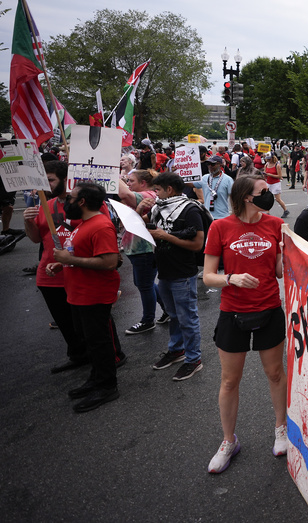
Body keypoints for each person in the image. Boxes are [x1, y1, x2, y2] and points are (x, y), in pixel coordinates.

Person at [203, 175, 288, 473]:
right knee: (229, 380)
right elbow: (208, 276)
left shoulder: (276, 226)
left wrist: (284, 253)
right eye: (263, 192)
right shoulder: (219, 227)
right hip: (233, 312)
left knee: (275, 373)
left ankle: (281, 428)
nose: (269, 195)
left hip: (269, 309)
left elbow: (279, 272)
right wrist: (231, 279)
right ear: (246, 197)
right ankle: (229, 441)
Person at [47, 181, 123, 412]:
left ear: (81, 201)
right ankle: (96, 378)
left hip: (94, 294)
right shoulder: (84, 223)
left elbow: (110, 262)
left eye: (70, 198)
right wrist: (61, 264)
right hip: (78, 293)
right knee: (89, 339)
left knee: (99, 342)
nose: (66, 202)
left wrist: (69, 260)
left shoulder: (100, 226)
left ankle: (107, 386)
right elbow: (80, 253)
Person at [23, 160, 90, 372]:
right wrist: (28, 222)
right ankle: (77, 355)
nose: (46, 184)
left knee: (86, 323)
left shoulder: (84, 203)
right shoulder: (46, 204)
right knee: (64, 322)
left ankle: (100, 360)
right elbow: (36, 239)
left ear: (64, 179)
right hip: (48, 276)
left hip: (78, 271)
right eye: (44, 179)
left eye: (50, 179)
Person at [141, 172, 207, 382]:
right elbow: (143, 226)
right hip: (165, 270)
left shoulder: (190, 209)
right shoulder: (158, 208)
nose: (155, 194)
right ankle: (177, 350)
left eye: (158, 190)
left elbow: (197, 244)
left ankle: (194, 359)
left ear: (169, 189)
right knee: (174, 315)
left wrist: (165, 236)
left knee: (187, 318)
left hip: (182, 273)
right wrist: (140, 209)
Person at [117, 169, 169, 333]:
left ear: (143, 183)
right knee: (145, 283)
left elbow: (124, 195)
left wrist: (108, 170)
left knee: (144, 285)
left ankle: (148, 320)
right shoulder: (143, 194)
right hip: (135, 247)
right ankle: (167, 310)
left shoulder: (147, 195)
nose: (128, 183)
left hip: (144, 248)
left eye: (131, 181)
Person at [193, 155, 234, 220]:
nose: (210, 166)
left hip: (222, 216)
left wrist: (233, 214)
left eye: (212, 164)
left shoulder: (228, 180)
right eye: (208, 164)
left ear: (220, 165)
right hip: (208, 216)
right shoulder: (205, 178)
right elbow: (190, 184)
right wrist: (177, 172)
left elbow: (234, 197)